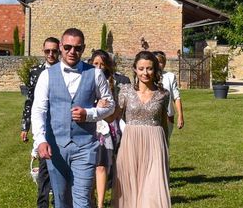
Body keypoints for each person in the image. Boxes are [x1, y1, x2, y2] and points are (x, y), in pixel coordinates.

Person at [32, 28, 115, 208]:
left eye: (77, 48)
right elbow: (38, 110)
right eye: (68, 47)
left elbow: (110, 105)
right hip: (56, 147)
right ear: (61, 47)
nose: (72, 52)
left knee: (82, 200)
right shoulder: (46, 75)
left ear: (83, 49)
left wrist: (89, 114)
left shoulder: (95, 73)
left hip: (85, 146)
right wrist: (40, 140)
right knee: (61, 200)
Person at [112, 51, 170, 208]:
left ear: (155, 70)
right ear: (135, 69)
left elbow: (164, 122)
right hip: (130, 143)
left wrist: (165, 147)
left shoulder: (163, 94)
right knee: (128, 186)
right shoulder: (125, 91)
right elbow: (114, 116)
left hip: (155, 143)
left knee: (153, 188)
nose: (146, 72)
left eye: (149, 68)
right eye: (142, 68)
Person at [21, 37, 60, 208]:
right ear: (43, 51)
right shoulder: (36, 72)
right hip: (43, 124)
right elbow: (30, 101)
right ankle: (42, 204)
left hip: (60, 124)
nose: (51, 54)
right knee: (44, 168)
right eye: (47, 51)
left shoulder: (64, 70)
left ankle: (58, 201)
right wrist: (25, 125)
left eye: (54, 51)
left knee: (60, 170)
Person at [88, 50, 122, 208]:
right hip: (88, 127)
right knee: (89, 167)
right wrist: (96, 107)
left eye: (102, 64)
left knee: (101, 165)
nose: (99, 67)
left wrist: (105, 110)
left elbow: (115, 110)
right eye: (96, 64)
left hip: (106, 129)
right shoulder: (85, 79)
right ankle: (91, 198)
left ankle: (100, 203)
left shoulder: (113, 83)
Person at [153, 51, 184, 142]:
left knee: (165, 143)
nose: (158, 65)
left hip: (167, 116)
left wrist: (180, 116)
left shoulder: (170, 77)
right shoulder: (146, 76)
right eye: (156, 62)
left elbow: (176, 97)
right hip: (151, 116)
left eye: (161, 62)